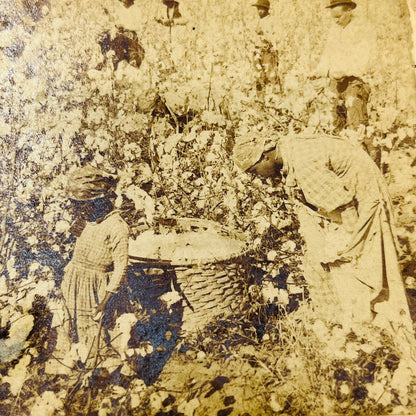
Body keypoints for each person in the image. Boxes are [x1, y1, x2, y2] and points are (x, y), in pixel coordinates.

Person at [233, 133, 413, 342]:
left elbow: (344, 206)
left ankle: (391, 332)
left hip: (363, 197)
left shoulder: (304, 165)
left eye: (254, 171)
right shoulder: (286, 150)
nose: (258, 177)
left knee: (370, 264)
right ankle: (357, 322)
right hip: (351, 196)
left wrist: (352, 244)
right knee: (331, 259)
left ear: (264, 157)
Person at [59, 166, 130, 364]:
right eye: (75, 205)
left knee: (95, 331)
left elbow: (121, 267)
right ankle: (75, 362)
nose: (77, 209)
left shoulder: (116, 226)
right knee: (73, 324)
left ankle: (97, 370)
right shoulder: (85, 219)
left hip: (97, 288)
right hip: (75, 280)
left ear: (98, 202)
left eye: (82, 205)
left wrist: (105, 300)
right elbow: (74, 241)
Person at [311, 0, 377, 131]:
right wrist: (319, 71)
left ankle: (365, 150)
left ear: (348, 11)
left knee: (356, 124)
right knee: (335, 122)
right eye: (333, 18)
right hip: (335, 84)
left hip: (355, 83)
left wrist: (346, 71)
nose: (335, 21)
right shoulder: (334, 30)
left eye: (338, 17)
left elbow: (366, 59)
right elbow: (327, 54)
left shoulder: (363, 29)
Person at [251, 0, 280, 97]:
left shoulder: (272, 21)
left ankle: (273, 100)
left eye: (261, 9)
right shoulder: (258, 21)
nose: (259, 11)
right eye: (258, 9)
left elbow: (276, 37)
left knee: (270, 76)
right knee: (259, 76)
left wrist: (268, 40)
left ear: (266, 9)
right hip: (257, 52)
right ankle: (260, 100)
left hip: (267, 52)